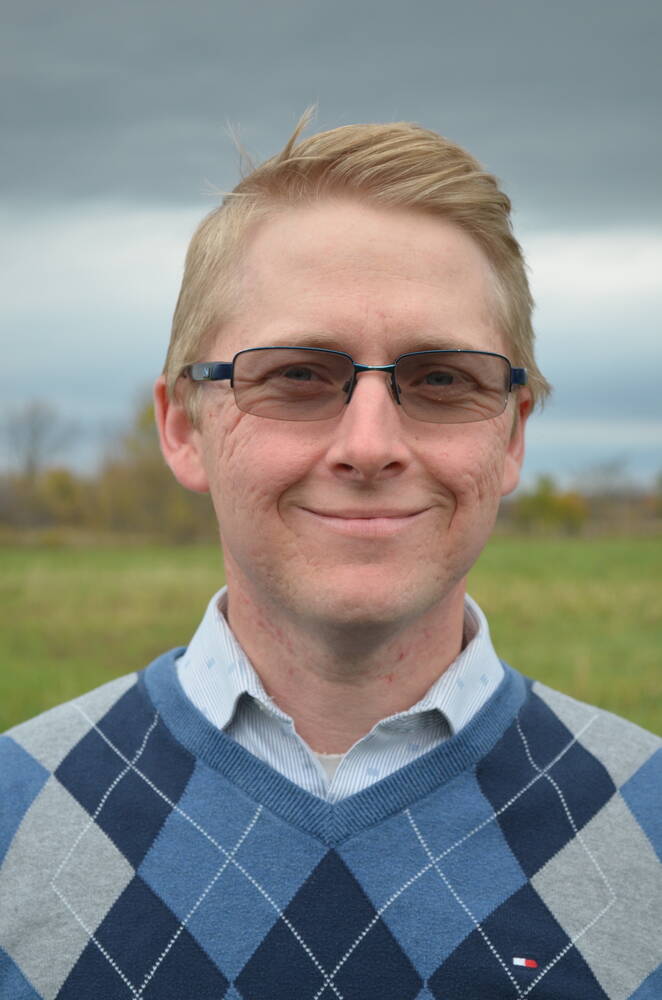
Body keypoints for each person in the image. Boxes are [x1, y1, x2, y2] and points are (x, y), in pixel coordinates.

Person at [1, 116, 660, 1000]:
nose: (370, 446)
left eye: (441, 379)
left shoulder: (647, 821)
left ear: (511, 437)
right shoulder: (15, 816)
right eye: (298, 376)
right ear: (184, 427)